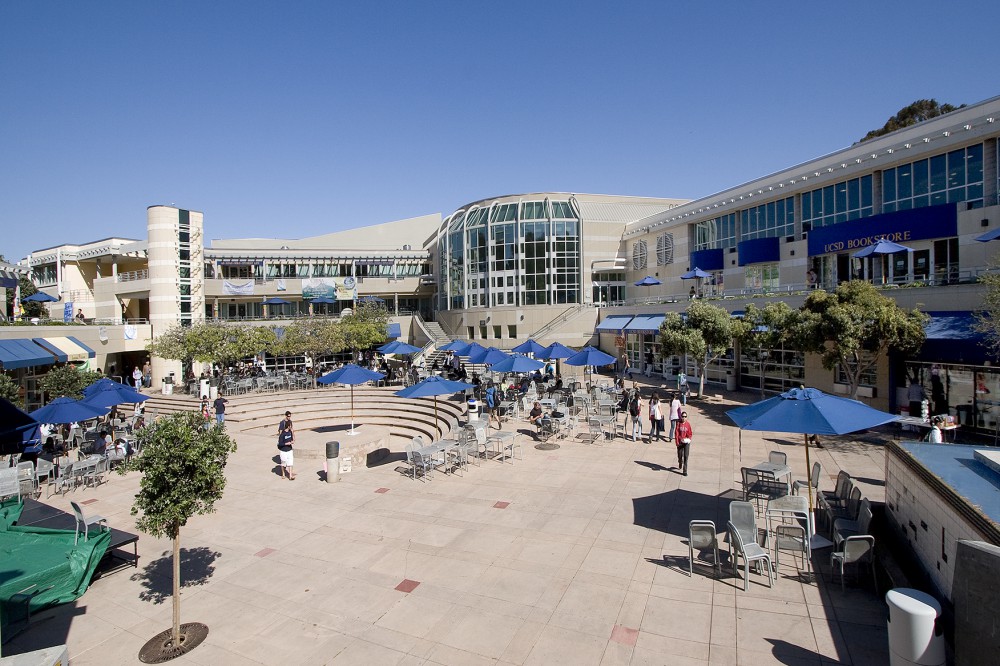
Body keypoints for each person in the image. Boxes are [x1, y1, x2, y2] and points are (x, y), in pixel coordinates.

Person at [277, 411, 296, 480]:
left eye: (290, 416)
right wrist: (282, 438)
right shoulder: (282, 422)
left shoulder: (290, 422)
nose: (289, 417)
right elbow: (280, 431)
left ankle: (290, 475)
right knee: (283, 463)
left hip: (289, 448)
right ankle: (283, 473)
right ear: (285, 416)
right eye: (288, 416)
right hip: (283, 445)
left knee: (290, 462)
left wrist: (293, 437)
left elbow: (292, 430)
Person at [674, 411, 693, 475]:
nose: (684, 418)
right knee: (680, 455)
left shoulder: (688, 424)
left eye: (685, 417)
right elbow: (676, 433)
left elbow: (690, 433)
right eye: (683, 416)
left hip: (686, 442)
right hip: (680, 442)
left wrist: (689, 439)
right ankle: (680, 462)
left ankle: (685, 471)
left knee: (686, 456)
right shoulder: (678, 423)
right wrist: (677, 442)